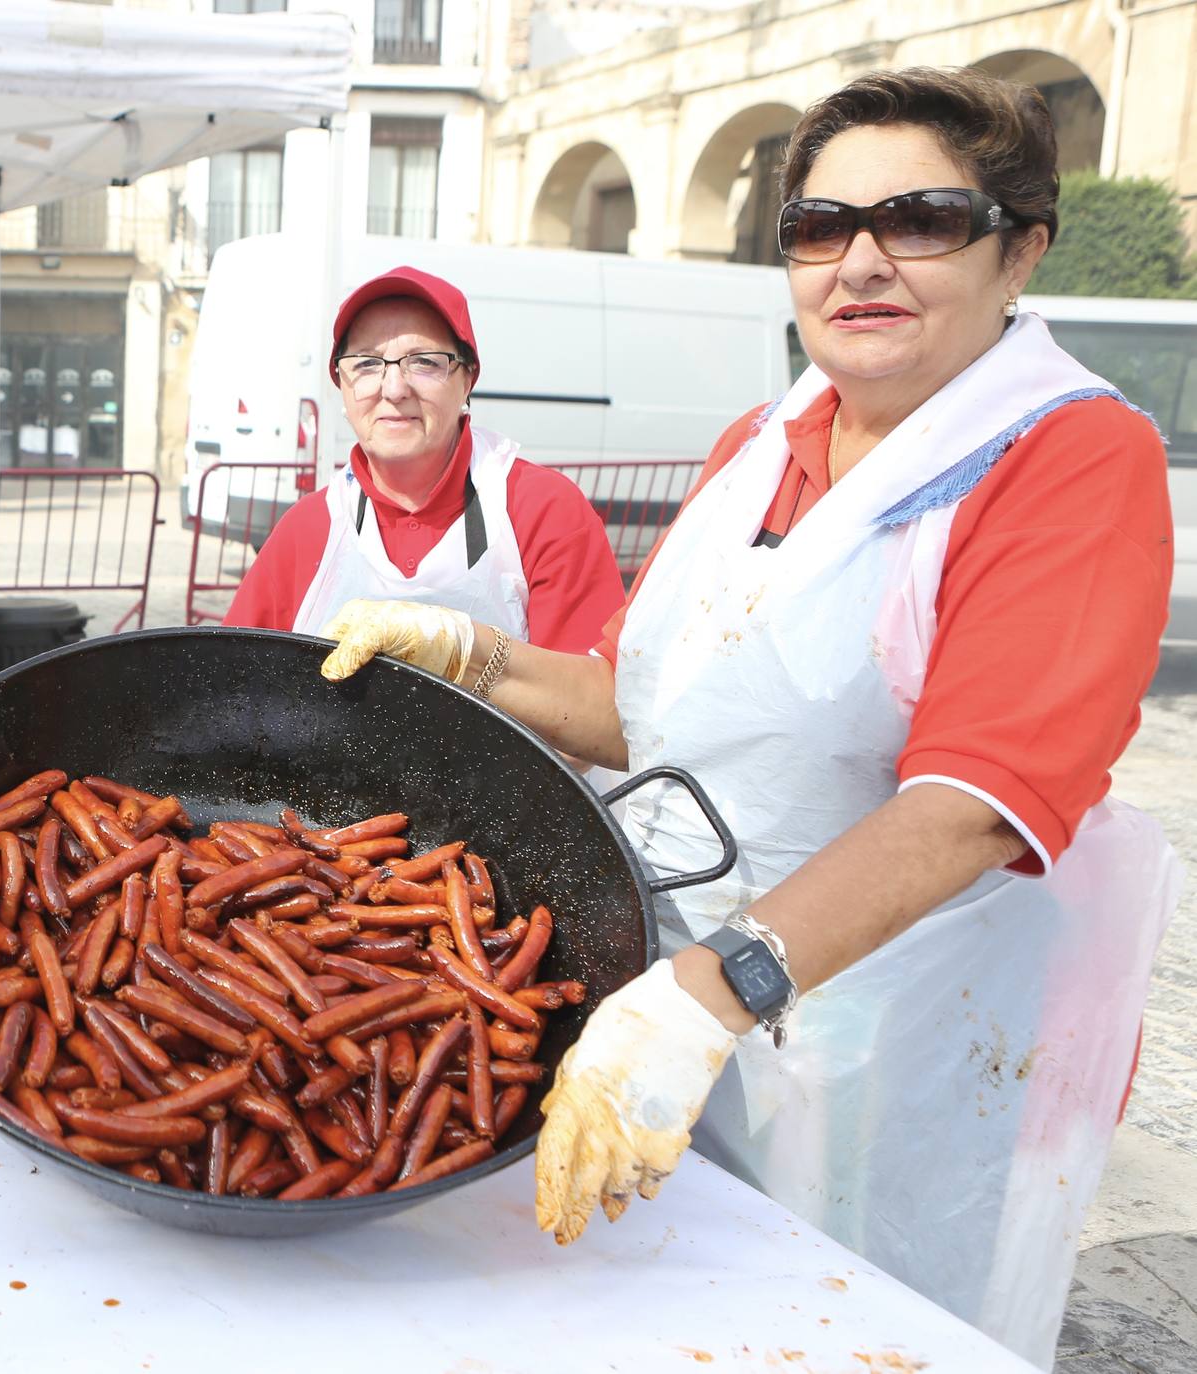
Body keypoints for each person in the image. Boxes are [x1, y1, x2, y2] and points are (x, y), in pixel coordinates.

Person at [317, 68, 1178, 1364]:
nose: (862, 261)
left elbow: (971, 804)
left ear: (1020, 251)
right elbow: (639, 710)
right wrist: (474, 653)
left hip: (893, 1042)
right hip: (673, 993)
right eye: (820, 227)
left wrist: (712, 993)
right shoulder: (755, 443)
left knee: (839, 1333)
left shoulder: (1066, 456)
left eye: (922, 219)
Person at [222, 268, 621, 652]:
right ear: (341, 385)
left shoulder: (543, 512)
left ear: (467, 381)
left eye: (425, 362)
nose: (394, 389)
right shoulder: (308, 529)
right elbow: (232, 684)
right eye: (366, 363)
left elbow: (589, 704)